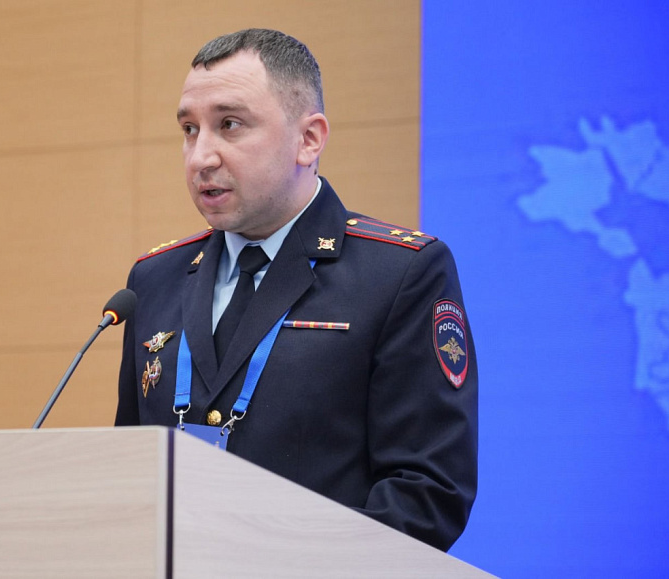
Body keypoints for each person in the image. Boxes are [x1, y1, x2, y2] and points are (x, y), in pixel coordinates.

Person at [115, 28, 477, 552]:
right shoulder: (153, 279)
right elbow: (131, 473)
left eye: (229, 125)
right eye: (190, 130)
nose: (200, 158)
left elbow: (426, 495)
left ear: (308, 139)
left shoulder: (399, 273)